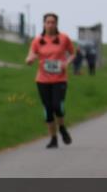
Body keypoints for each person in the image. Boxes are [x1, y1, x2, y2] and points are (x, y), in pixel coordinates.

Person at [25, 13, 76, 148]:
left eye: (53, 22)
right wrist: (29, 60)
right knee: (48, 110)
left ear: (56, 24)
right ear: (44, 24)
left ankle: (62, 128)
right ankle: (53, 139)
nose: (50, 24)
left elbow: (72, 53)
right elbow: (31, 54)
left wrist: (66, 63)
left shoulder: (64, 38)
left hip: (60, 79)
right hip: (42, 80)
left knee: (57, 106)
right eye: (48, 22)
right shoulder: (37, 40)